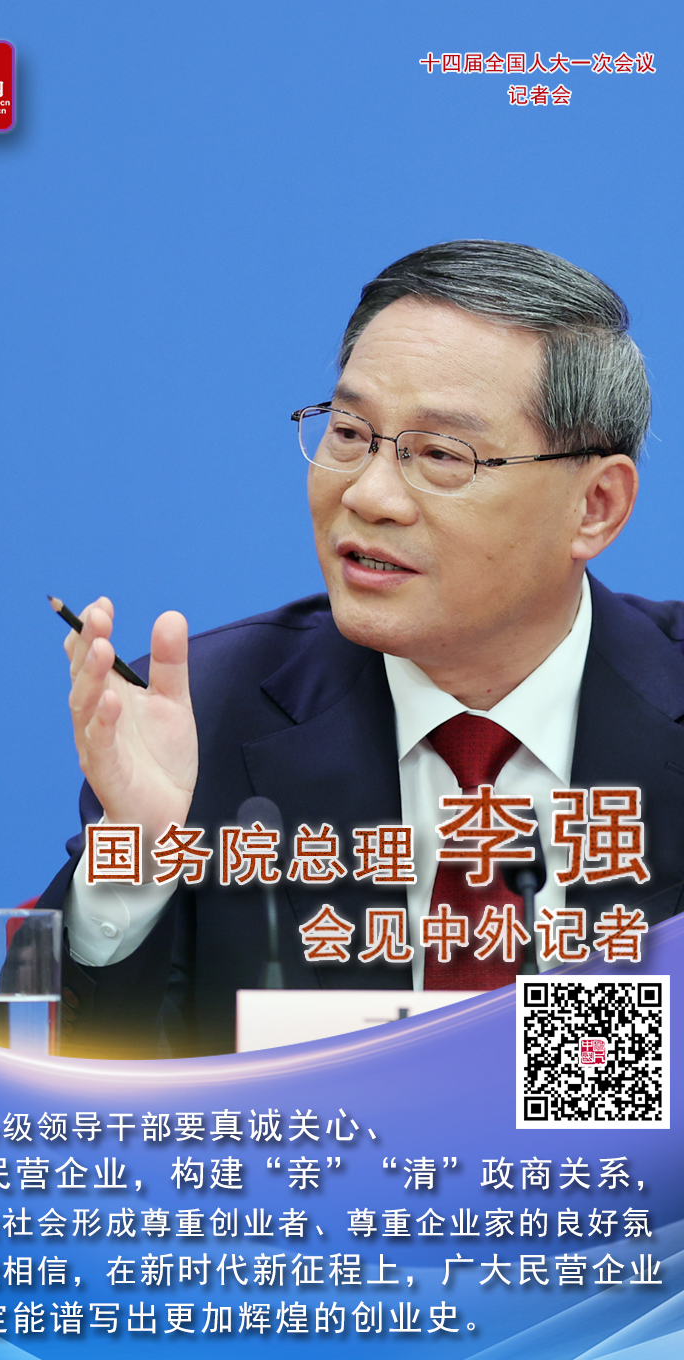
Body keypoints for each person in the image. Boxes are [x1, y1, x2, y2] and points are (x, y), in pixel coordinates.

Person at [35, 241, 684, 1058]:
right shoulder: (208, 715)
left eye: (442, 454)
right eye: (349, 433)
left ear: (595, 506)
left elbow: (600, 1106)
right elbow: (71, 1082)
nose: (368, 494)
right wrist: (133, 864)